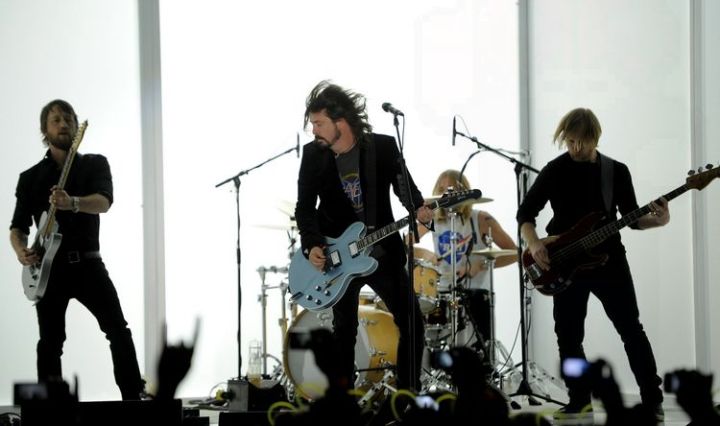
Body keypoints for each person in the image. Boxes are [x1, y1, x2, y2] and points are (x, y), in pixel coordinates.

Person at [516, 107, 669, 421]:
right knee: (568, 336)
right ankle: (579, 400)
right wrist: (534, 243)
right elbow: (525, 215)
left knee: (631, 330)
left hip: (609, 262)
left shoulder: (616, 171)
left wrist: (659, 220)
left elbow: (633, 219)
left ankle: (652, 401)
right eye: (570, 141)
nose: (574, 148)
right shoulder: (554, 170)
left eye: (581, 142)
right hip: (563, 263)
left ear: (595, 138)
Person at [294, 81, 433, 393]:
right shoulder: (314, 155)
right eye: (313, 123)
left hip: (381, 251)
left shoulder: (382, 148)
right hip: (338, 256)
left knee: (411, 322)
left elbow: (405, 188)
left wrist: (419, 209)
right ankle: (342, 401)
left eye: (319, 123)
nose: (314, 130)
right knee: (344, 331)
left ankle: (407, 395)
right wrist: (312, 244)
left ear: (340, 121)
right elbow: (305, 208)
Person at [9, 99, 145, 400]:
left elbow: (104, 202)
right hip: (48, 271)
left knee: (117, 329)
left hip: (88, 264)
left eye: (68, 118)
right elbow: (18, 227)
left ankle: (134, 397)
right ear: (45, 129)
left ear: (76, 125)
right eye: (56, 119)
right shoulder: (30, 178)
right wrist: (21, 251)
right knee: (50, 342)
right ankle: (49, 409)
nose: (63, 124)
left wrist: (72, 202)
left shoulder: (95, 164)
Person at [411, 170, 517, 350]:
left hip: (475, 293)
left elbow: (513, 253)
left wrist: (480, 265)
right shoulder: (433, 220)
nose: (446, 195)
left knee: (477, 351)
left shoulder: (481, 218)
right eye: (441, 190)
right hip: (443, 292)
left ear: (463, 192)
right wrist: (427, 254)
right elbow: (404, 245)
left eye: (452, 190)